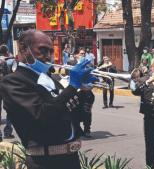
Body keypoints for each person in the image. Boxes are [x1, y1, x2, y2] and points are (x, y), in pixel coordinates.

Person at [0, 30, 96, 169]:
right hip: (44, 162)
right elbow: (42, 115)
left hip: (70, 160)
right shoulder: (14, 82)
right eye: (43, 49)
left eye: (51, 51)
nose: (48, 55)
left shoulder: (51, 80)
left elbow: (77, 116)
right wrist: (72, 86)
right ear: (23, 49)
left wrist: (84, 92)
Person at [0, 44, 14, 141]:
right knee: (9, 109)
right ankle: (7, 132)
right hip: (5, 88)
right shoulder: (8, 61)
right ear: (6, 51)